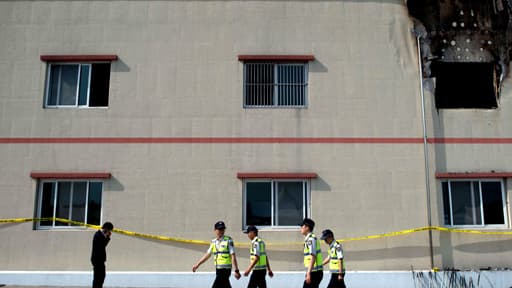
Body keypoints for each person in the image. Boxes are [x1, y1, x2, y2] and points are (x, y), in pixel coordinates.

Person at [192, 221, 241, 288]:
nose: (222, 231)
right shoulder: (213, 242)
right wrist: (198, 264)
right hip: (218, 269)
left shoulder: (228, 240)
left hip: (226, 269)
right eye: (220, 229)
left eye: (223, 229)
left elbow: (233, 255)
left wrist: (236, 270)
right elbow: (208, 254)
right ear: (215, 230)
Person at [300, 218, 323, 288]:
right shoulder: (309, 239)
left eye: (302, 226)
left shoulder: (311, 239)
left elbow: (313, 257)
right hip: (314, 272)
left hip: (314, 272)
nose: (300, 228)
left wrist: (308, 273)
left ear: (307, 228)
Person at [90, 222, 114, 288]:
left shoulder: (101, 235)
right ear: (106, 229)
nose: (109, 232)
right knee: (98, 277)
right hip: (97, 260)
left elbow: (103, 246)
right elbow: (101, 246)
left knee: (102, 276)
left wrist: (107, 237)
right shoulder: (98, 235)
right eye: (109, 230)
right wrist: (107, 237)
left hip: (100, 260)